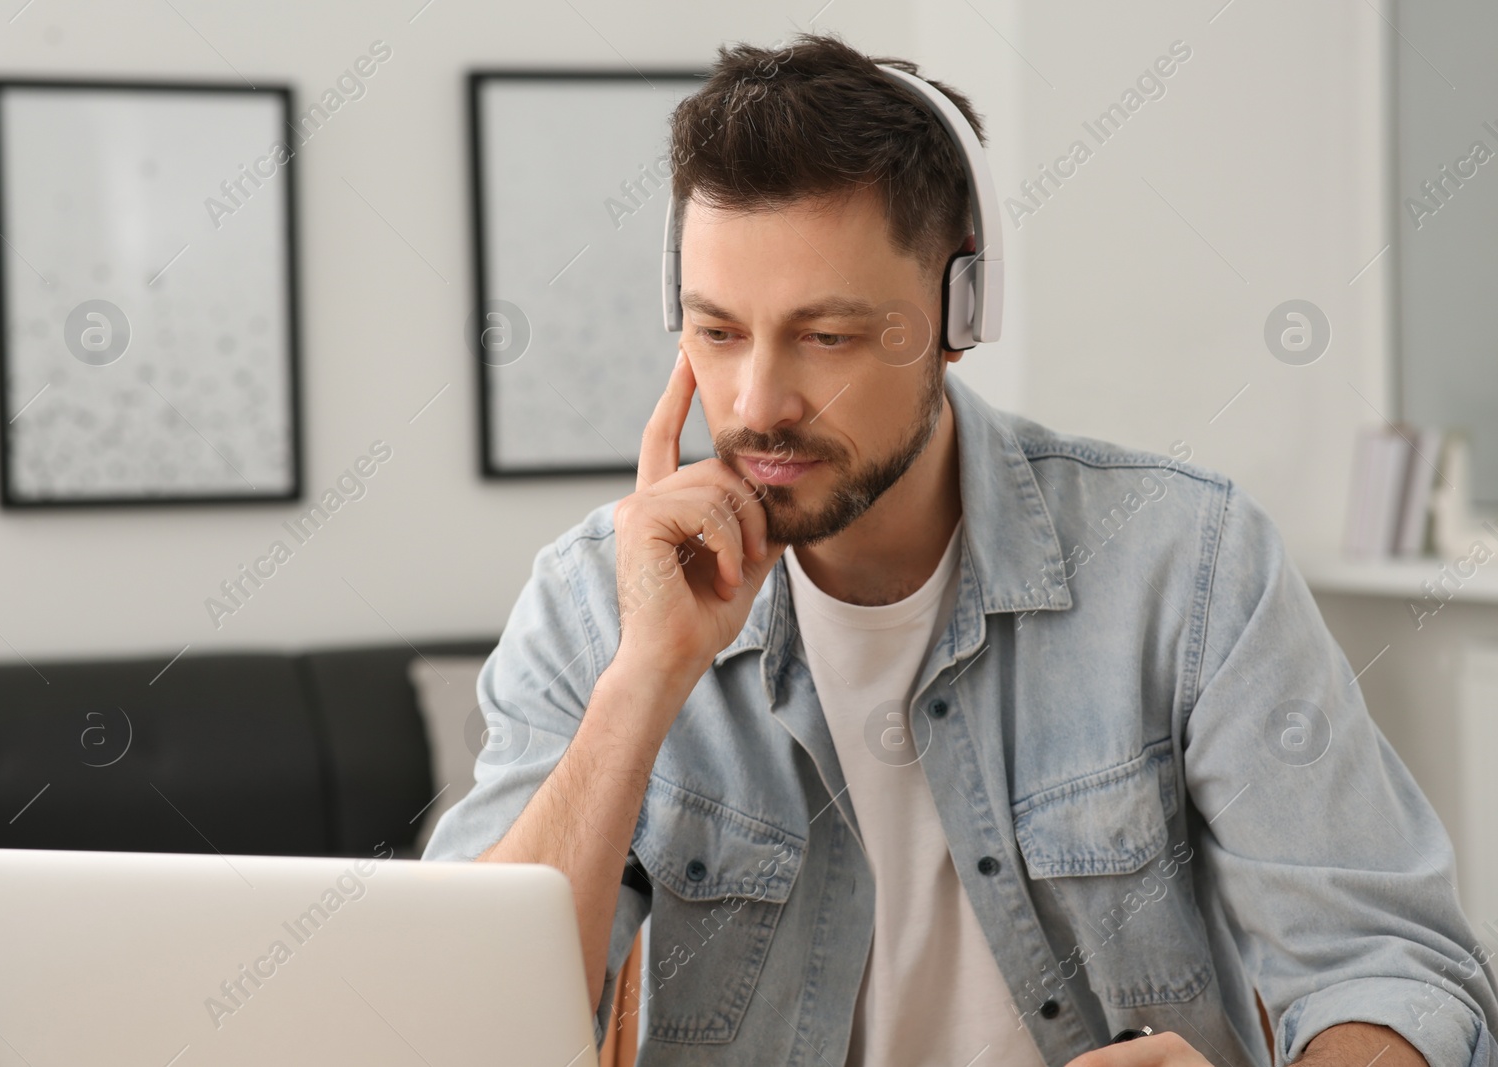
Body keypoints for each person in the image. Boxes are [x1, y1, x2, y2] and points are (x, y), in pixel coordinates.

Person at [425, 32, 1498, 1067]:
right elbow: (454, 1030)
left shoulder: (1189, 566)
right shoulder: (591, 602)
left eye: (826, 336)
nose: (755, 403)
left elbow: (1393, 970)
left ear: (959, 310)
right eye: (715, 331)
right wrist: (644, 676)